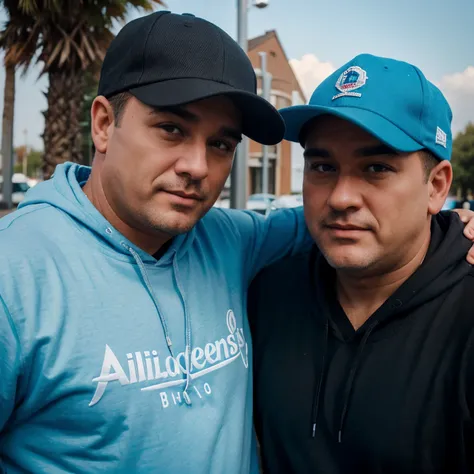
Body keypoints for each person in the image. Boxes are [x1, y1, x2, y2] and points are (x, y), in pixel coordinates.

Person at [0, 11, 312, 474]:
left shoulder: (228, 240)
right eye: (171, 129)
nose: (198, 167)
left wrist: (451, 225)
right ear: (104, 123)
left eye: (221, 145)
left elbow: (334, 220)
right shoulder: (16, 274)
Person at [249, 54, 474, 474]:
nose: (340, 198)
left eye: (376, 168)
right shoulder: (268, 294)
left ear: (437, 187)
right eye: (322, 166)